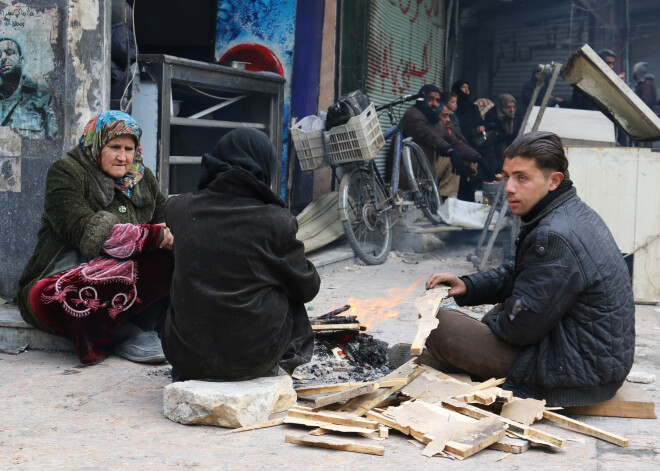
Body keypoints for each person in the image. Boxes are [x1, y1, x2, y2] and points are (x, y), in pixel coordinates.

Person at [423, 131, 635, 406]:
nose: (509, 187)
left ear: (553, 180)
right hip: (593, 359)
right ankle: (455, 359)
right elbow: (519, 273)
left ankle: (450, 363)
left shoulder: (554, 235)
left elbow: (520, 330)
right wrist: (469, 285)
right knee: (503, 310)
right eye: (507, 176)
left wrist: (491, 322)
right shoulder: (567, 211)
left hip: (574, 373)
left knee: (439, 324)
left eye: (522, 178)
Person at [161, 128, 320, 382]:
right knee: (291, 286)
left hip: (185, 357)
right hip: (253, 361)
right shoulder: (276, 220)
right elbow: (308, 287)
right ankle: (285, 360)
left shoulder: (177, 208)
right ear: (262, 168)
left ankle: (199, 361)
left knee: (177, 265)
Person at [17, 110, 173, 365]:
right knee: (45, 296)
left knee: (180, 256)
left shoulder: (143, 178)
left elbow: (165, 218)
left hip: (127, 277)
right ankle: (124, 334)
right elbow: (85, 231)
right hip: (71, 272)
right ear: (97, 143)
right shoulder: (66, 172)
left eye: (129, 148)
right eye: (114, 147)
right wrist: (155, 235)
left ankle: (152, 328)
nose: (123, 157)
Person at [401, 84, 480, 198]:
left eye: (438, 100)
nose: (435, 104)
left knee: (457, 157)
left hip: (424, 171)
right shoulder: (412, 113)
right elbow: (429, 136)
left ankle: (446, 199)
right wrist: (450, 151)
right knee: (447, 153)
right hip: (407, 173)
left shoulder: (434, 119)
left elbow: (453, 141)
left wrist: (476, 157)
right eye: (430, 99)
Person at [0, 37, 56, 138]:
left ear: (21, 60)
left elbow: (54, 140)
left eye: (9, 52)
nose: (3, 58)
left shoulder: (44, 98)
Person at [482, 94, 522, 180]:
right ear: (501, 107)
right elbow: (495, 137)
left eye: (513, 107)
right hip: (496, 148)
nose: (512, 110)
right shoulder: (492, 115)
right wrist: (512, 136)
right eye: (508, 107)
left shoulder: (516, 116)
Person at [450, 79, 486, 148]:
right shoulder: (453, 107)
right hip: (458, 143)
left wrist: (481, 126)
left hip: (473, 142)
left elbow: (480, 121)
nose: (467, 90)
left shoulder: (473, 107)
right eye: (463, 87)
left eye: (467, 87)